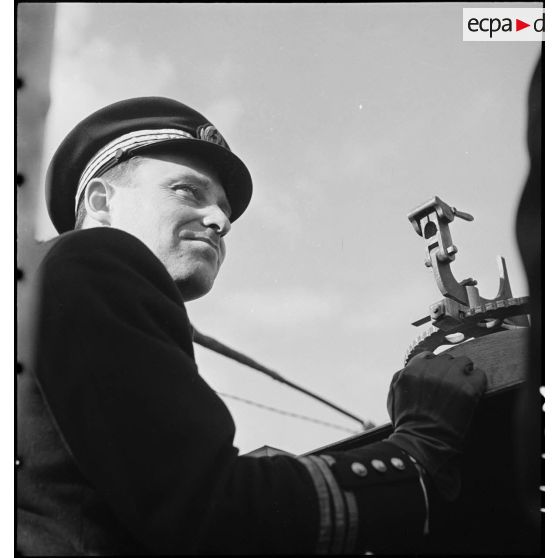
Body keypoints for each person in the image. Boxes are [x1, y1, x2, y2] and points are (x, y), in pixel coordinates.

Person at [17, 97, 487, 555]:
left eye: (224, 208)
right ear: (101, 200)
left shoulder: (33, 289)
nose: (220, 219)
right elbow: (209, 510)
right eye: (186, 191)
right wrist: (415, 452)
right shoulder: (92, 260)